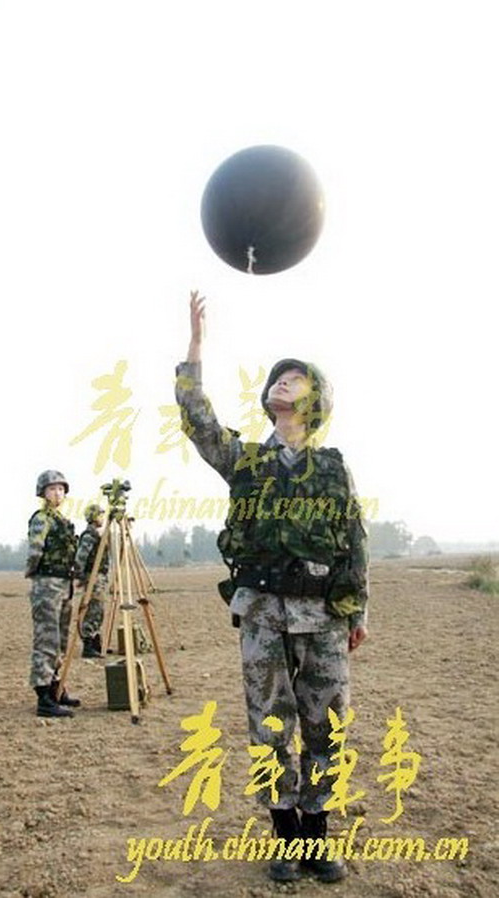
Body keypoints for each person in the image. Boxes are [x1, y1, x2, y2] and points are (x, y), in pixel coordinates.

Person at [175, 292, 369, 883]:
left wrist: (358, 609)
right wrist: (195, 348)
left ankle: (317, 839)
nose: (283, 383)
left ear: (316, 400)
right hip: (262, 613)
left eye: (296, 378)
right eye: (279, 378)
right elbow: (198, 422)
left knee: (327, 728)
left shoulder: (332, 467)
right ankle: (285, 839)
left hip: (324, 618)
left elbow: (353, 539)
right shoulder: (248, 462)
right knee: (270, 728)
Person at [25, 469, 80, 718]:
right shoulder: (42, 519)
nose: (57, 493)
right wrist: (33, 572)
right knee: (47, 640)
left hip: (64, 584)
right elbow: (35, 549)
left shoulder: (61, 520)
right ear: (43, 493)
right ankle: (44, 697)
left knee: (60, 640)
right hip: (47, 584)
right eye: (52, 489)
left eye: (60, 489)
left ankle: (57, 687)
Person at [74, 502, 110, 658]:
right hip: (93, 577)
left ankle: (96, 642)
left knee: (99, 609)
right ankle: (88, 644)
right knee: (94, 610)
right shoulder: (89, 536)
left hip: (99, 576)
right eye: (100, 515)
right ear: (94, 517)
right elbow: (81, 557)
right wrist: (80, 576)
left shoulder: (97, 535)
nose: (103, 518)